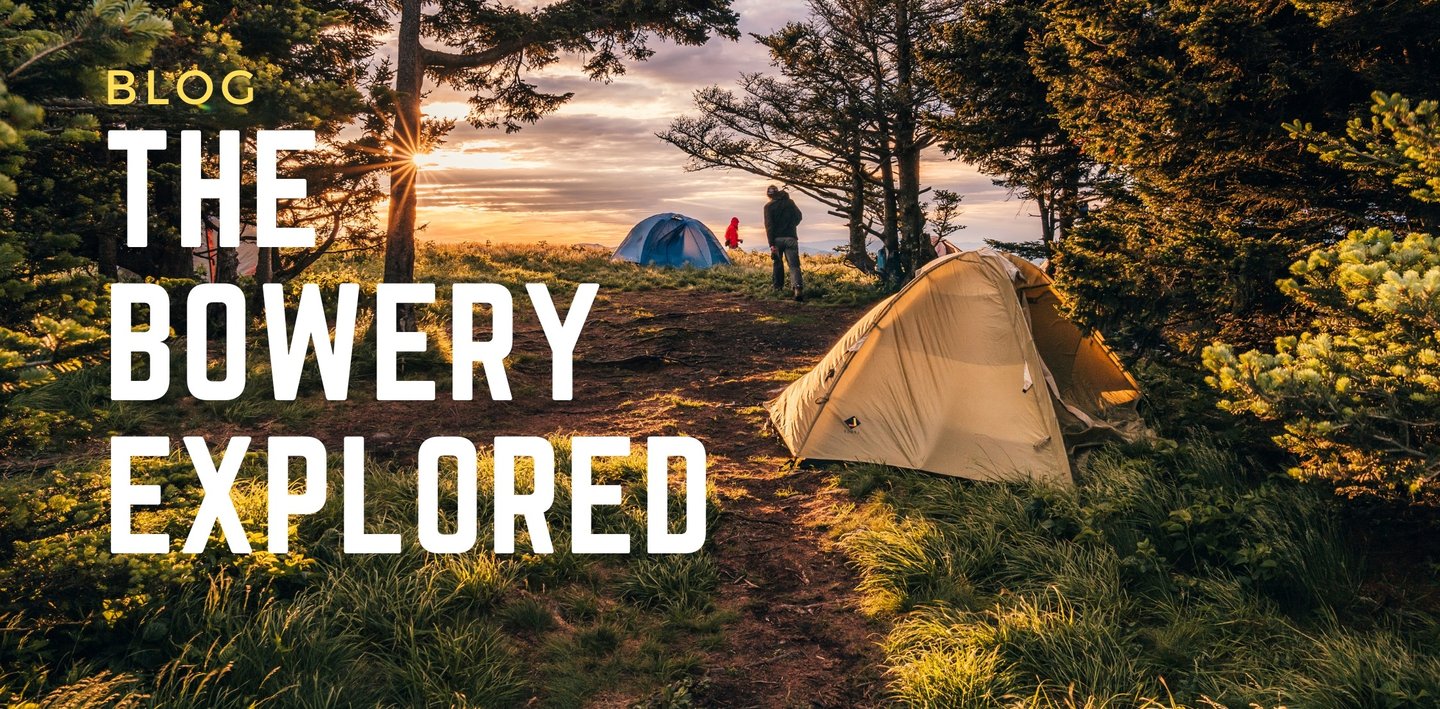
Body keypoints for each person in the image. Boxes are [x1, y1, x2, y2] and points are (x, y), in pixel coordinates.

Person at [763, 185, 804, 301]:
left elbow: (769, 226)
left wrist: (771, 244)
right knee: (794, 265)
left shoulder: (768, 206)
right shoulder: (790, 203)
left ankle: (777, 288)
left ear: (769, 195)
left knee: (777, 263)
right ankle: (797, 288)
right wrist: (791, 226)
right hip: (791, 238)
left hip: (776, 239)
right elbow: (799, 216)